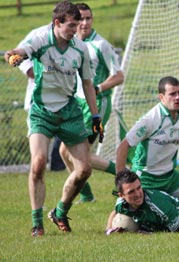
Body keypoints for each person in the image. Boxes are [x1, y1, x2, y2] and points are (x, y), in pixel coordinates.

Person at [4, 0, 103, 237]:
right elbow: (14, 52)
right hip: (42, 112)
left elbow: (88, 84)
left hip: (69, 111)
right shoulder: (41, 40)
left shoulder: (80, 48)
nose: (76, 30)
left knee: (84, 170)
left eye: (78, 24)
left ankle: (60, 211)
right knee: (38, 163)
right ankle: (37, 224)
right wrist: (12, 58)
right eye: (71, 25)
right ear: (57, 23)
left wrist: (96, 116)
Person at [58, 2, 124, 203]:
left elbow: (119, 76)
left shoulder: (101, 45)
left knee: (73, 152)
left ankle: (121, 172)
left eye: (89, 18)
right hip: (77, 103)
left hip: (96, 105)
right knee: (65, 152)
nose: (85, 23)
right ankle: (88, 193)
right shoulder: (71, 43)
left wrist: (98, 88)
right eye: (81, 19)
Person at [116, 76, 179, 204]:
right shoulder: (150, 119)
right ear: (161, 97)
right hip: (145, 178)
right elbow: (123, 147)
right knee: (130, 215)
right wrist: (121, 182)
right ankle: (111, 224)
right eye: (172, 94)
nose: (178, 97)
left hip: (171, 177)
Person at [17, 24, 66, 171]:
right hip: (39, 99)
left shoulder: (73, 38)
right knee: (39, 154)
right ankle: (38, 168)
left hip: (63, 97)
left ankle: (58, 166)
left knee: (64, 132)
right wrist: (32, 71)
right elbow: (19, 54)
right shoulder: (39, 34)